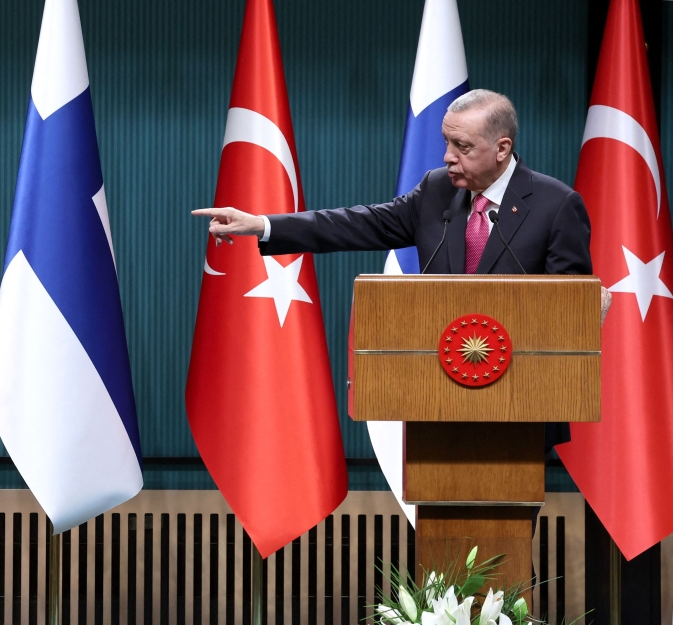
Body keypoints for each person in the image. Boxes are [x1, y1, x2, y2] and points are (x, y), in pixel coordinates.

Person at [193, 89, 594, 449]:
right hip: (436, 400)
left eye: (462, 146)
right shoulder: (437, 189)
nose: (447, 156)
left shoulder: (555, 204)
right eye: (445, 142)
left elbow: (568, 311)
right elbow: (357, 223)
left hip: (519, 406)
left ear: (502, 148)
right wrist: (263, 225)